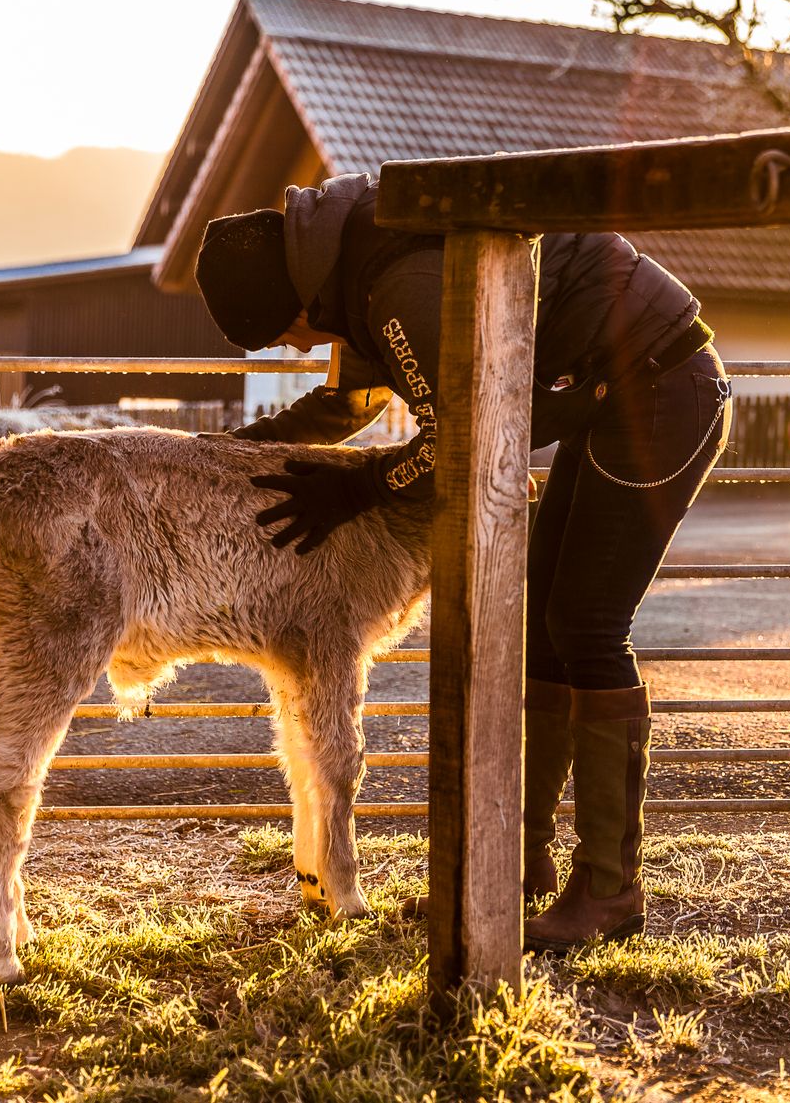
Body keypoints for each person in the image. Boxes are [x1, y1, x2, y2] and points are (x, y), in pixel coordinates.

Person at [194, 172, 732, 951]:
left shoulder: (393, 284)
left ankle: (610, 888)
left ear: (294, 300)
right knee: (548, 629)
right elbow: (347, 405)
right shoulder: (349, 260)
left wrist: (360, 488)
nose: (297, 347)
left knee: (587, 625)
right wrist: (225, 457)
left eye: (285, 334)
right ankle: (519, 863)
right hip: (609, 393)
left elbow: (465, 436)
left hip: (663, 386)